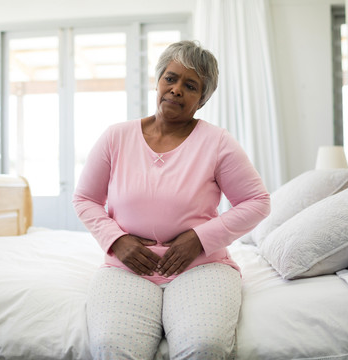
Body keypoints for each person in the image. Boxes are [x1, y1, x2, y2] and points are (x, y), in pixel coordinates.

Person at [73, 40, 270, 360]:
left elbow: (257, 201)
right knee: (112, 348)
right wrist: (116, 240)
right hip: (127, 266)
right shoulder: (116, 137)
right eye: (171, 78)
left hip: (201, 267)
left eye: (190, 85)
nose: (176, 89)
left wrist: (199, 239)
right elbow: (85, 198)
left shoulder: (218, 142)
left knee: (205, 346)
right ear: (158, 81)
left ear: (202, 99)